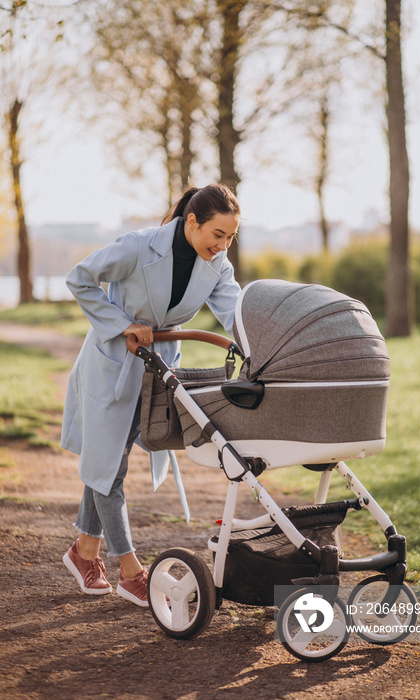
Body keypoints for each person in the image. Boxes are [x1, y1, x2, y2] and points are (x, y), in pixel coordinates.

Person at [61, 184, 241, 607]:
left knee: (110, 456)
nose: (223, 245)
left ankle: (83, 553)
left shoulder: (217, 265)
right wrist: (122, 323)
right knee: (110, 464)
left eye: (231, 237)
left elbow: (235, 310)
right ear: (192, 222)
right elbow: (80, 278)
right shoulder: (138, 247)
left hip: (156, 368)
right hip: (112, 364)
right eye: (218, 234)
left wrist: (259, 342)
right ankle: (130, 570)